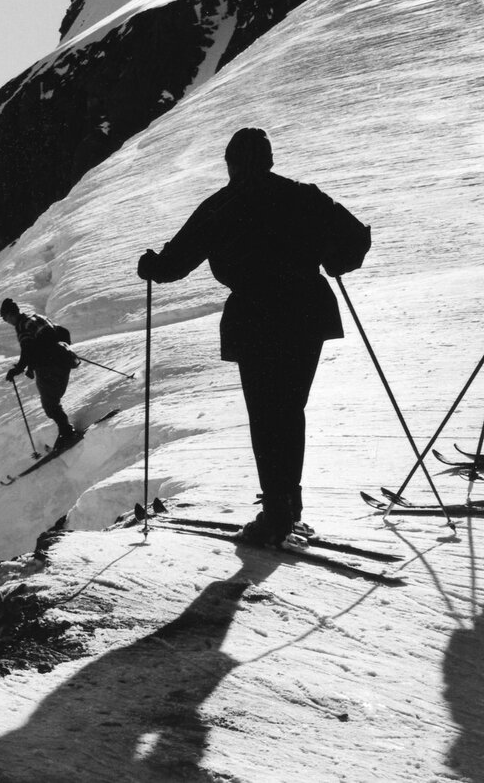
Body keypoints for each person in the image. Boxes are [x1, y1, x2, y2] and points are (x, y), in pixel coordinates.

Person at [138, 127, 369, 549]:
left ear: (232, 164)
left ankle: (277, 514)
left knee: (266, 414)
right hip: (307, 310)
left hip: (257, 316)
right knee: (290, 407)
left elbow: (174, 264)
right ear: (269, 160)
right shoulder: (306, 196)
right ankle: (289, 503)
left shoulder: (221, 205)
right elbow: (356, 239)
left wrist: (150, 265)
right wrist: (334, 261)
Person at [1, 299, 80, 443]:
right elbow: (62, 331)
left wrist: (17, 369)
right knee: (53, 399)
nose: (8, 322)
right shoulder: (37, 317)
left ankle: (67, 432)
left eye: (6, 319)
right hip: (64, 361)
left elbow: (28, 349)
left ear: (10, 315)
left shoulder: (22, 325)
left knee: (49, 404)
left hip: (48, 366)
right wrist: (63, 349)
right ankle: (66, 430)